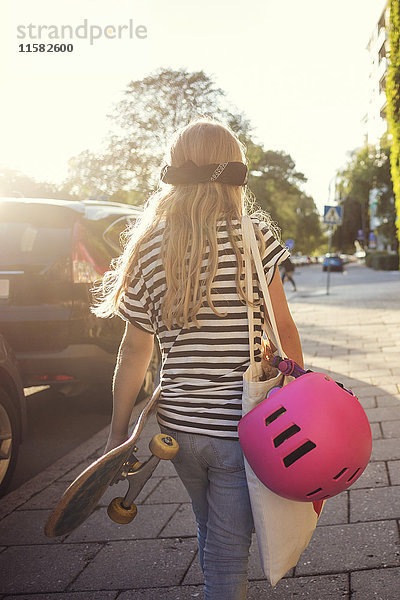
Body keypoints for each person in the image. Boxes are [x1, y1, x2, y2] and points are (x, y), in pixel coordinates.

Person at [92, 119, 304, 600]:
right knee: (231, 553)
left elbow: (134, 352)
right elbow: (283, 327)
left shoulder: (149, 247)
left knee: (211, 531)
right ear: (234, 175)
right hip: (240, 426)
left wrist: (116, 431)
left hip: (179, 429)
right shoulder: (253, 238)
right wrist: (301, 387)